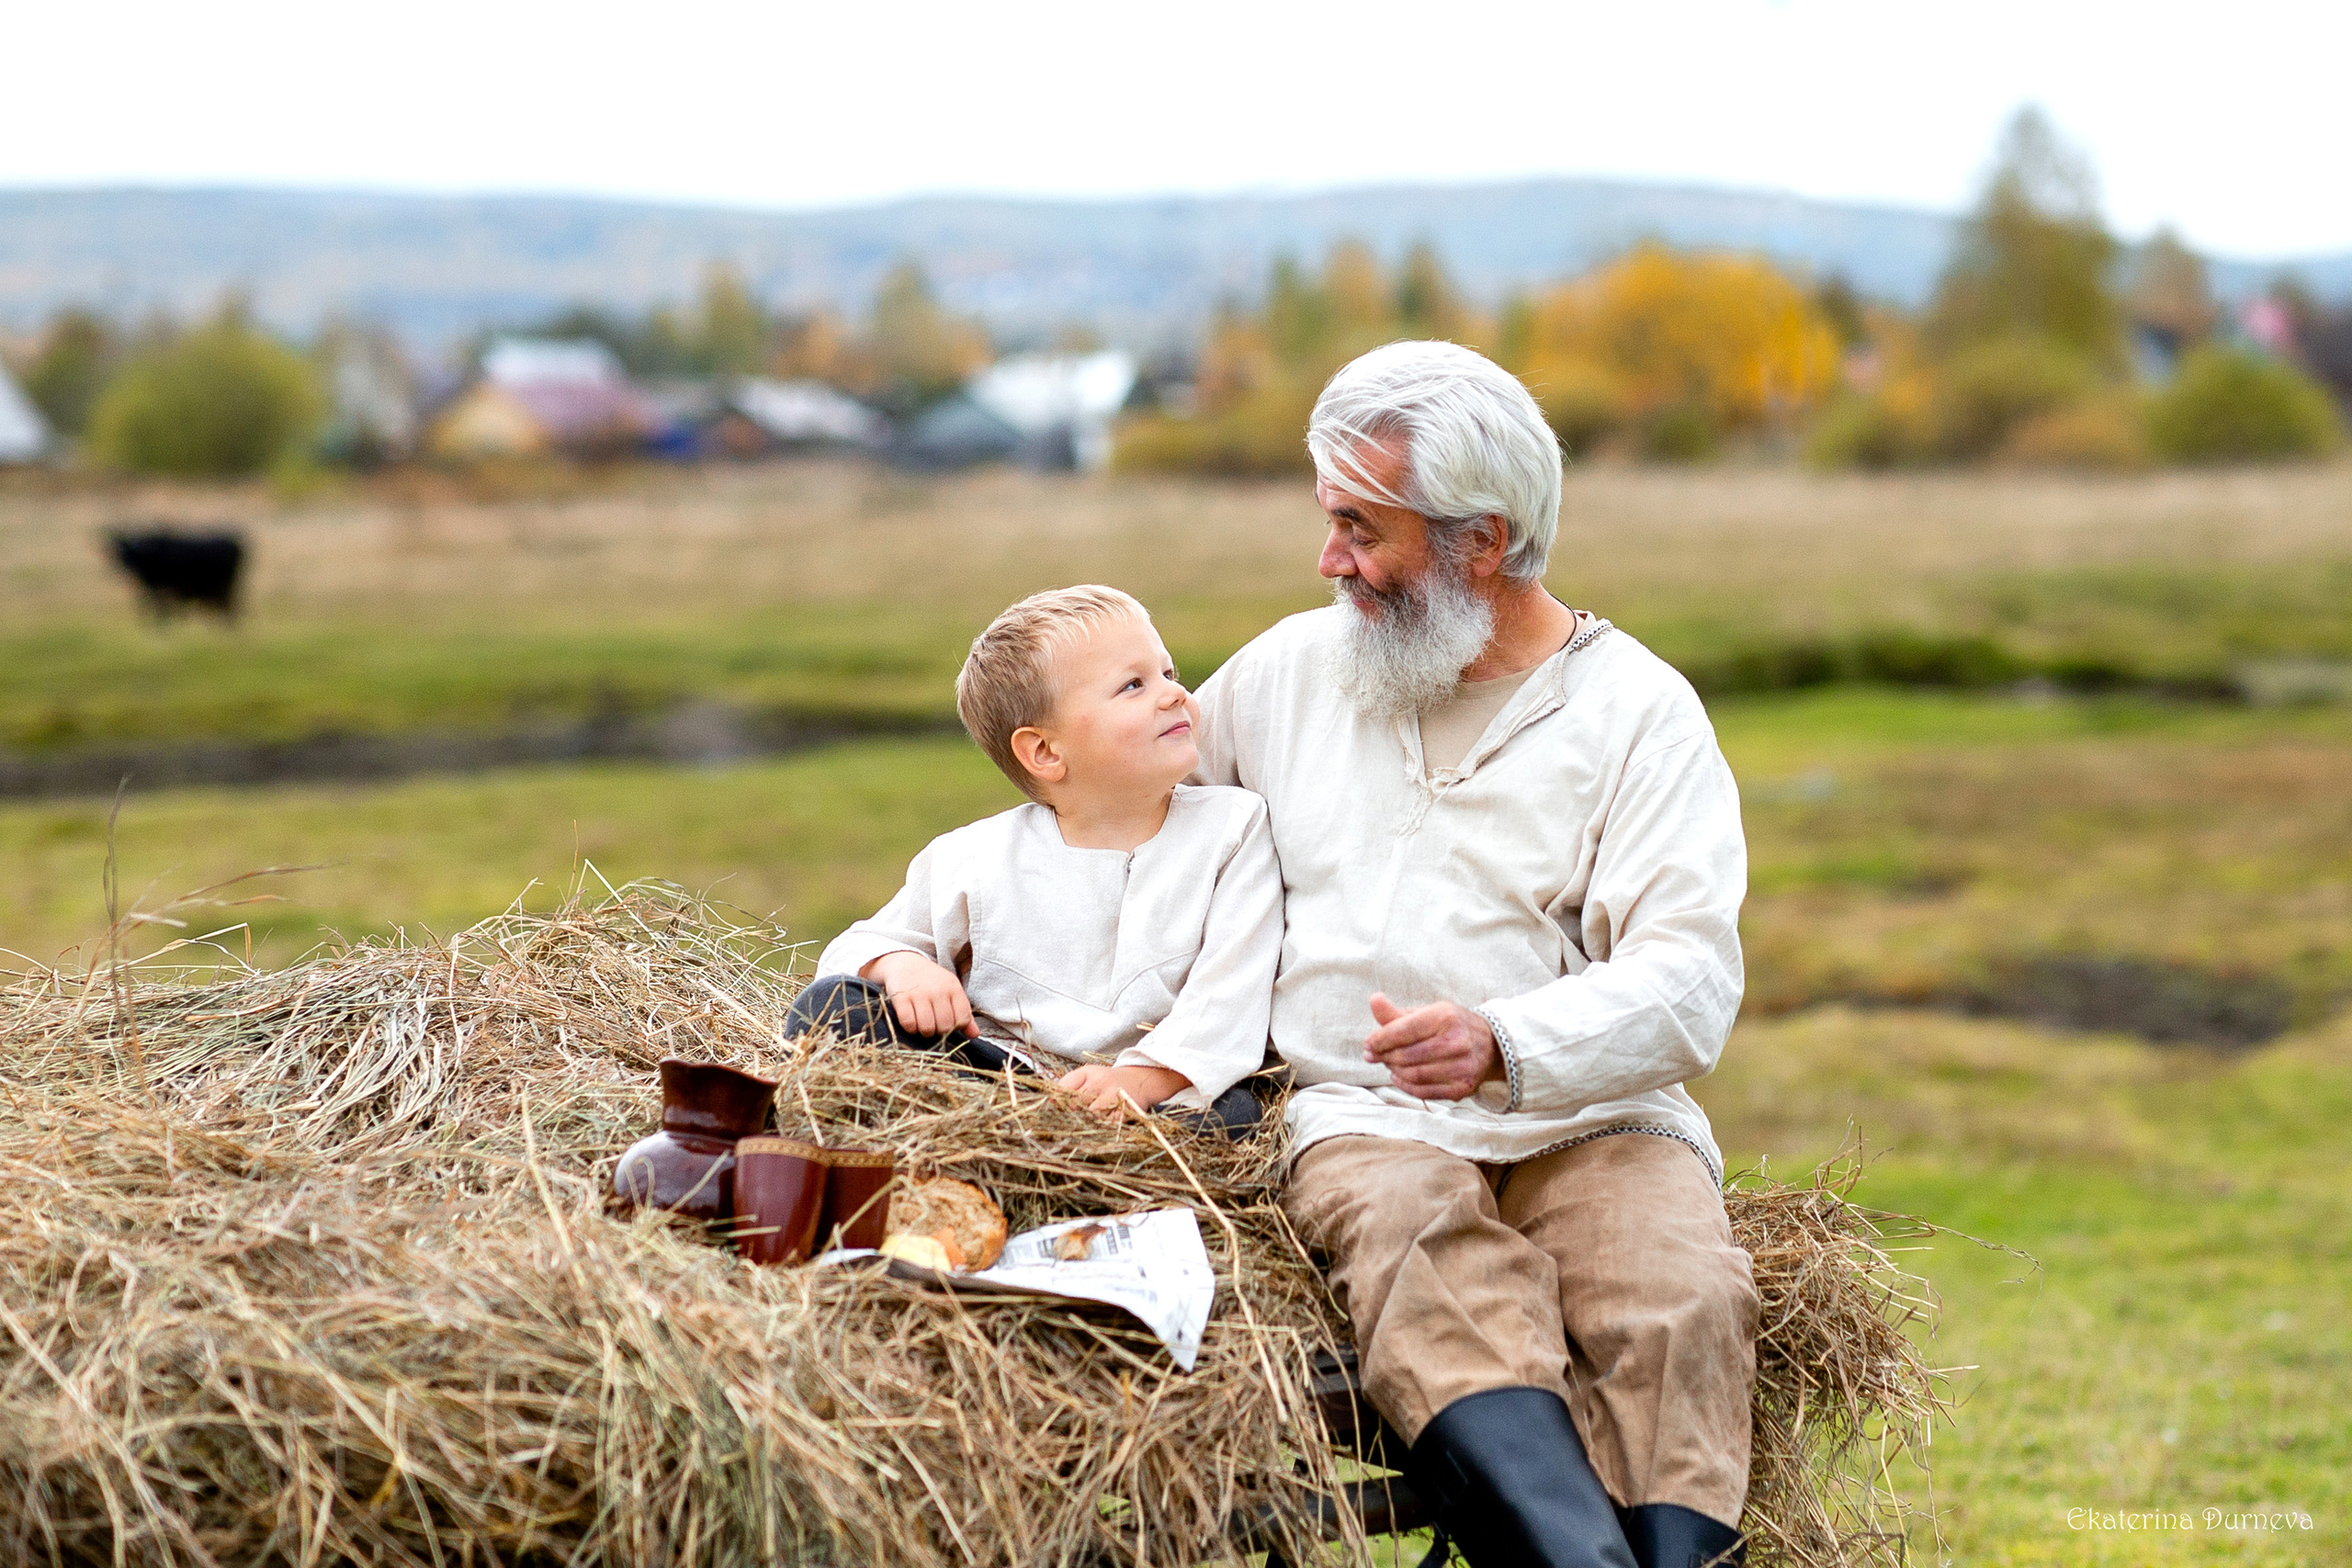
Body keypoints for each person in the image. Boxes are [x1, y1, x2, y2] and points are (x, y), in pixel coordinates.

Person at [1190, 342, 1758, 1568]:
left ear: (1482, 543)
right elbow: (1128, 834)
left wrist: (1508, 1039)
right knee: (1426, 1259)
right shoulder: (1287, 672)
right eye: (1329, 520)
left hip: (1597, 1114)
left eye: (1360, 527)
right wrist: (910, 943)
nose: (1329, 558)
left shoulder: (1640, 712)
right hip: (1363, 1112)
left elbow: (1692, 976)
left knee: (1678, 1298)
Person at [790, 584, 1277, 1134]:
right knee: (834, 1006)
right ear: (1045, 752)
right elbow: (858, 945)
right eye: (1133, 686)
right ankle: (984, 1148)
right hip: (1000, 1083)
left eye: (1170, 673)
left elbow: (1231, 989)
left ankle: (1084, 1177)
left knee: (1235, 1116)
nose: (1173, 695)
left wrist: (1145, 1079)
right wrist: (903, 967)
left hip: (1146, 1100)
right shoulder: (974, 856)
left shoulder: (1234, 828)